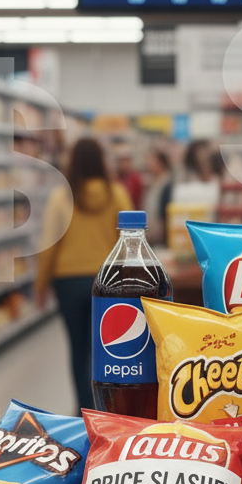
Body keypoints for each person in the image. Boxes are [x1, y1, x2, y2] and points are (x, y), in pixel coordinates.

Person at [35, 138, 133, 413]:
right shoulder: (118, 194)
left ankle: (83, 409)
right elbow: (129, 244)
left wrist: (40, 286)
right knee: (109, 349)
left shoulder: (61, 197)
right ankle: (109, 409)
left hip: (68, 283)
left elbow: (49, 246)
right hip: (108, 282)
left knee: (78, 350)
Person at [143, 148, 173, 247]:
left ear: (161, 163)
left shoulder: (167, 185)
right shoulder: (152, 183)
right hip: (151, 235)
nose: (148, 164)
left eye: (152, 160)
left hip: (161, 237)